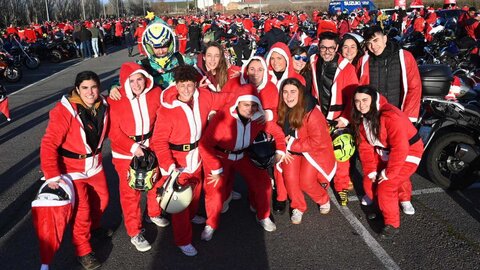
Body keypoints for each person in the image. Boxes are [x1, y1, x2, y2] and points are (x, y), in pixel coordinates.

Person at [151, 65, 232, 256]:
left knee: (195, 195)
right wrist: (170, 167)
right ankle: (182, 240)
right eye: (182, 85)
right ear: (176, 86)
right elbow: (159, 141)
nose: (186, 89)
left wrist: (248, 96)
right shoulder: (166, 110)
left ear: (195, 84)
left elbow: (227, 98)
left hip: (199, 155)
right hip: (178, 162)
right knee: (179, 205)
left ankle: (192, 214)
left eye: (190, 85)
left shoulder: (203, 96)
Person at [40, 71, 109, 270]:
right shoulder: (64, 110)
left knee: (102, 201)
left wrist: (114, 87)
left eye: (94, 87)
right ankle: (83, 250)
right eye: (85, 88)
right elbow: (49, 143)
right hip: (72, 169)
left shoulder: (103, 105)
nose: (90, 92)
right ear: (77, 89)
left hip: (94, 165)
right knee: (82, 212)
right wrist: (52, 174)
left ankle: (94, 229)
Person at [199, 85, 277, 241]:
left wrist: (281, 151)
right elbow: (204, 145)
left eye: (254, 105)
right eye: (246, 104)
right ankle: (211, 224)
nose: (250, 109)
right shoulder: (222, 118)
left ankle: (263, 215)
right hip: (221, 157)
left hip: (243, 156)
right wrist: (215, 168)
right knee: (214, 190)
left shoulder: (258, 118)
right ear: (238, 103)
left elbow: (277, 133)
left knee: (263, 182)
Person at [107, 62, 167, 252]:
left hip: (151, 146)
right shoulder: (115, 100)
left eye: (139, 79)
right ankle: (134, 232)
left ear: (145, 78)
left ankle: (154, 212)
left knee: (155, 183)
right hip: (125, 153)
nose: (136, 84)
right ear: (124, 82)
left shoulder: (155, 93)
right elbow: (113, 132)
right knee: (130, 193)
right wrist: (133, 147)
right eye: (131, 81)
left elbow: (167, 106)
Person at [350, 85, 423, 239]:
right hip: (385, 151)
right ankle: (382, 207)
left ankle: (392, 223)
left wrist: (389, 172)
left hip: (409, 151)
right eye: (357, 101)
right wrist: (370, 170)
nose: (361, 104)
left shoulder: (390, 116)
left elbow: (400, 148)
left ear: (374, 99)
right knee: (369, 182)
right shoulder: (361, 117)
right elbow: (365, 147)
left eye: (365, 100)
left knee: (387, 185)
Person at [308, 31, 359, 205]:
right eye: (323, 47)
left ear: (337, 48)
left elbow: (354, 98)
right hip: (319, 118)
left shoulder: (347, 68)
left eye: (331, 47)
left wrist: (345, 119)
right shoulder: (313, 62)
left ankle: (342, 187)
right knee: (320, 152)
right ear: (318, 47)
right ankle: (323, 180)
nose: (327, 51)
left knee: (342, 154)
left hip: (339, 119)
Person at [277, 78, 337, 224]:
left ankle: (323, 199)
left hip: (311, 152)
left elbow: (317, 142)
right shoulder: (281, 108)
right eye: (285, 92)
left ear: (301, 93)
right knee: (290, 179)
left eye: (293, 92)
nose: (288, 96)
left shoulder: (313, 114)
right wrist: (282, 148)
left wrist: (291, 143)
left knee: (306, 182)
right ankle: (298, 206)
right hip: (291, 150)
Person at [357, 25, 422, 123]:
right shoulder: (364, 60)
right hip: (372, 116)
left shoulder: (404, 57)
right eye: (369, 43)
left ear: (385, 38)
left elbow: (414, 88)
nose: (373, 47)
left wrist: (408, 118)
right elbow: (359, 88)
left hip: (397, 115)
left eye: (375, 40)